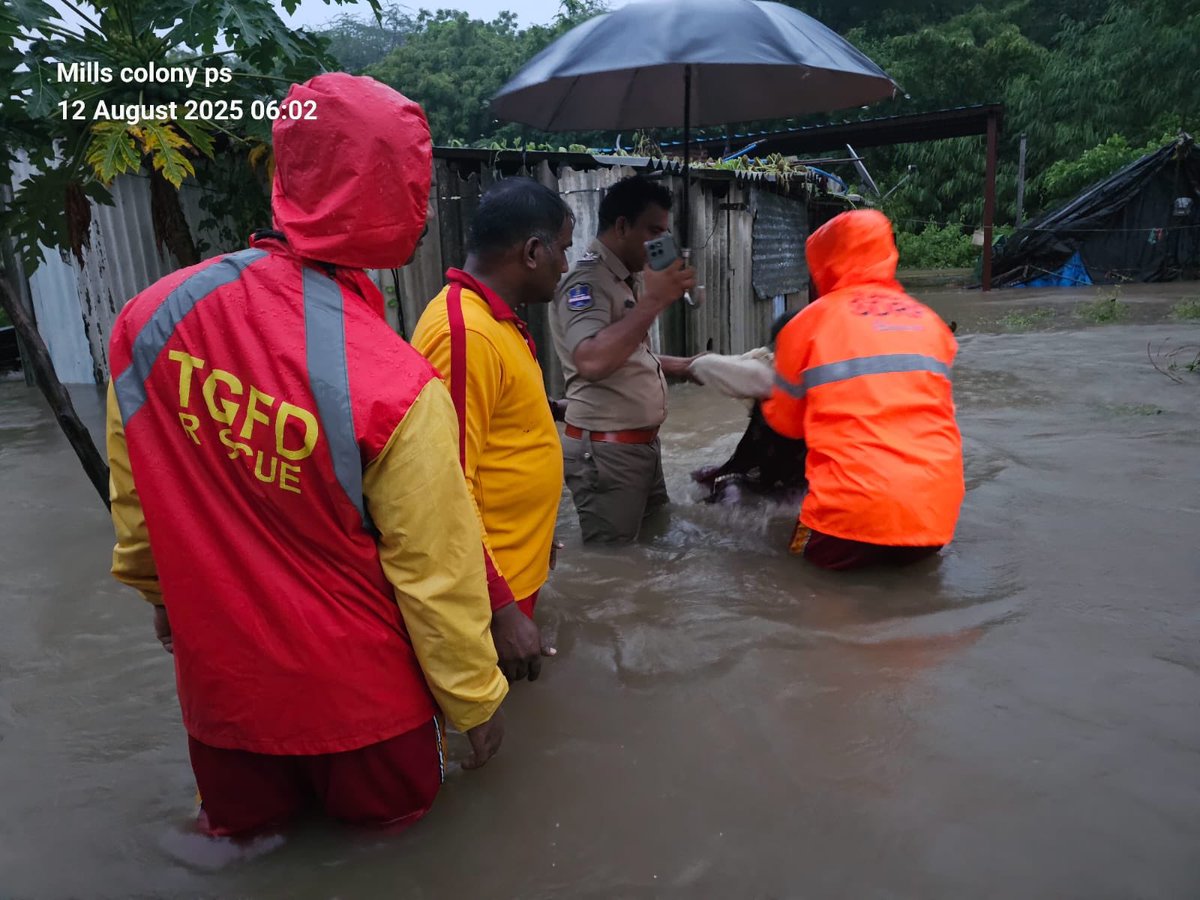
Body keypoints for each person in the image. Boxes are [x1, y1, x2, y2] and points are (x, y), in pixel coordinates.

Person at [106, 73, 509, 838]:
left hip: (222, 699)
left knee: (244, 859)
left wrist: (160, 596)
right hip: (370, 717)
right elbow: (437, 572)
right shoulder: (395, 383)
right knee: (397, 863)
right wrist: (475, 701)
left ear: (284, 167)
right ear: (402, 197)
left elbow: (138, 503)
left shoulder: (150, 320)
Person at [411, 178, 571, 680]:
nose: (565, 266)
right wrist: (501, 609)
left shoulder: (495, 322)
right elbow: (444, 485)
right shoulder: (464, 334)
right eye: (562, 250)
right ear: (531, 252)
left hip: (513, 568)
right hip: (489, 595)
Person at [763, 209, 964, 570]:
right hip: (935, 516)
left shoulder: (808, 322)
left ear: (823, 264)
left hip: (847, 517)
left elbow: (787, 425)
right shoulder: (931, 323)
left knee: (792, 575)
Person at [549, 175, 697, 543]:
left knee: (650, 555)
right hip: (607, 452)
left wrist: (689, 366)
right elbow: (593, 359)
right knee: (612, 568)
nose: (660, 242)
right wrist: (653, 302)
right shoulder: (586, 283)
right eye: (653, 230)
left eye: (664, 232)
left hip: (636, 446)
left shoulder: (620, 279)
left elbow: (626, 355)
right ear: (621, 226)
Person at [689, 310, 807, 503]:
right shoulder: (768, 377)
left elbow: (703, 366)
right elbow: (704, 366)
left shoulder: (780, 378)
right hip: (767, 472)